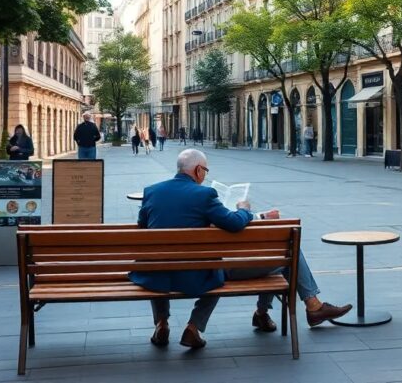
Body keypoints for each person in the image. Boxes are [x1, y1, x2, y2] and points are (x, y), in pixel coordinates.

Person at [130, 149, 352, 349]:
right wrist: (244, 209)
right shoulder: (203, 195)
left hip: (155, 275)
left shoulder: (152, 191)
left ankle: (161, 324)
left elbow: (143, 227)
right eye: (205, 170)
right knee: (283, 258)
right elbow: (235, 224)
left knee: (163, 261)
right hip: (197, 275)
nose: (205, 175)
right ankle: (307, 307)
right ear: (198, 170)